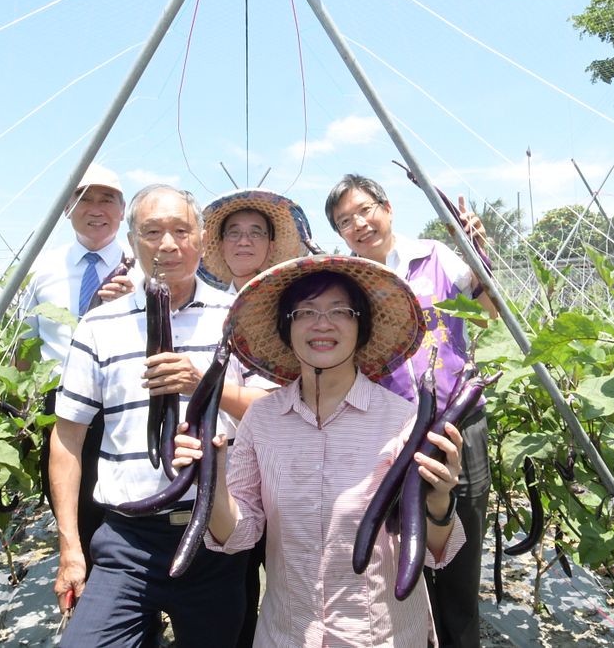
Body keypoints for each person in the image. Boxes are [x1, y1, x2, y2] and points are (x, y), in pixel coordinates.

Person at [175, 254, 467, 645]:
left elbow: (435, 549)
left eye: (340, 311)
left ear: (361, 326)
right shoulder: (261, 420)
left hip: (381, 634)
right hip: (288, 633)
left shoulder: (404, 422)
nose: (322, 323)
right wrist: (210, 478)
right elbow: (239, 534)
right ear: (287, 328)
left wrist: (440, 500)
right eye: (305, 312)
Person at [48, 184, 267, 646]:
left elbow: (272, 415)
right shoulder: (97, 325)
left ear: (202, 241)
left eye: (180, 230)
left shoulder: (240, 318)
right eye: (152, 231)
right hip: (128, 540)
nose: (167, 244)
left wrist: (203, 383)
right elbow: (67, 438)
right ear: (132, 242)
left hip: (214, 535)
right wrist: (70, 545)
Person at [325, 173, 498, 648]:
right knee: (397, 549)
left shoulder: (435, 256)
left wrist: (480, 252)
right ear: (340, 234)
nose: (358, 224)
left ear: (387, 208)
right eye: (345, 221)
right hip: (385, 431)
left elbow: (486, 312)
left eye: (364, 210)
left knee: (459, 549)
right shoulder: (349, 283)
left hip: (458, 423)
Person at [199, 188, 315, 647]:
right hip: (231, 468)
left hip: (291, 466)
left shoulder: (292, 308)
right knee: (236, 580)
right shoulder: (204, 310)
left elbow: (272, 404)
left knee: (296, 579)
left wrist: (204, 386)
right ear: (221, 247)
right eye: (234, 233)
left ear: (271, 245)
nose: (244, 242)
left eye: (255, 233)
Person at [18, 162, 135, 571]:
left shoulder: (142, 266)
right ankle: (85, 593)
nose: (96, 208)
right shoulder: (40, 269)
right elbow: (26, 346)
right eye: (84, 197)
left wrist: (137, 303)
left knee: (132, 513)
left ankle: (141, 611)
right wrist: (26, 412)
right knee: (75, 513)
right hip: (62, 405)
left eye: (107, 199)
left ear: (122, 211)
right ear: (67, 207)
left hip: (127, 401)